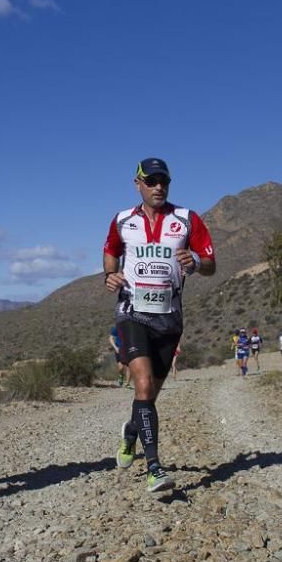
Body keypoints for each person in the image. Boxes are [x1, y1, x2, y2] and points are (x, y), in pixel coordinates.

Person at [104, 158, 216, 493]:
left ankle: (131, 432)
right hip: (132, 311)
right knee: (141, 385)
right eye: (150, 181)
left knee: (149, 394)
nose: (158, 187)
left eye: (163, 181)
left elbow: (210, 263)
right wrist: (110, 275)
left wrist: (195, 262)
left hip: (169, 317)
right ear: (137, 183)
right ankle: (154, 467)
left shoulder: (186, 220)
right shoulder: (123, 221)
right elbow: (110, 253)